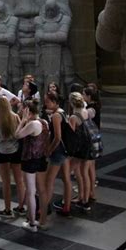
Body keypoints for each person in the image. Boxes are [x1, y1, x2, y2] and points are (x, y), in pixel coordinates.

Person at [0, 96, 26, 218]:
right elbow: (21, 133)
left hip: (2, 151)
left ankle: (7, 209)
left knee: (6, 182)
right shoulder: (15, 116)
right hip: (16, 151)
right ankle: (21, 207)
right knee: (19, 180)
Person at [16, 99, 49, 231]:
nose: (19, 112)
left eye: (22, 110)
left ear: (28, 111)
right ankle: (42, 221)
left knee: (30, 191)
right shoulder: (44, 122)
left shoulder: (32, 124)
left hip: (30, 160)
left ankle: (31, 223)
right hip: (41, 158)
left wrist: (23, 121)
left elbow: (17, 135)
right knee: (41, 190)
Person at [44, 90, 72, 218]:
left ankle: (44, 209)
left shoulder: (55, 116)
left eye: (47, 102)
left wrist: (49, 149)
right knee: (66, 179)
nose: (45, 104)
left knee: (48, 181)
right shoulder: (62, 112)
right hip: (65, 150)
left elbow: (57, 136)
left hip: (58, 151)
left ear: (54, 102)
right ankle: (67, 206)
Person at [68, 92, 96, 212]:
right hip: (88, 145)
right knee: (84, 173)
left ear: (71, 102)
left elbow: (71, 134)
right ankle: (84, 199)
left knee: (71, 170)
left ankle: (77, 198)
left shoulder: (73, 116)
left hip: (79, 148)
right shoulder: (85, 111)